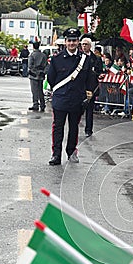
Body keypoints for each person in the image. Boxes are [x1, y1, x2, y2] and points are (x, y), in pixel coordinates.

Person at [47, 28, 91, 165]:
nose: (72, 43)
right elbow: (51, 78)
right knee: (58, 128)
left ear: (78, 42)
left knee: (74, 128)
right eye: (69, 40)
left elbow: (89, 79)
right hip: (61, 98)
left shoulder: (85, 59)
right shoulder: (56, 59)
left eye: (74, 40)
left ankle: (71, 152)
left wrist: (87, 93)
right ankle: (56, 155)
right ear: (65, 42)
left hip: (77, 99)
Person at [80, 36, 103, 137]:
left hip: (91, 87)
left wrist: (98, 74)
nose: (84, 46)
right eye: (83, 44)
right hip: (79, 87)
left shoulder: (96, 58)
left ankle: (89, 129)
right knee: (77, 109)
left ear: (90, 46)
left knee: (90, 110)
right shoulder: (78, 56)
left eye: (86, 44)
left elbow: (99, 71)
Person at [28, 41, 47, 112]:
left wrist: (34, 72)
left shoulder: (32, 55)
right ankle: (42, 104)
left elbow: (30, 65)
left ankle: (35, 104)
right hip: (41, 74)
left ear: (33, 47)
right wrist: (43, 72)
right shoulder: (43, 55)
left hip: (33, 75)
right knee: (40, 90)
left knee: (34, 90)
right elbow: (47, 66)